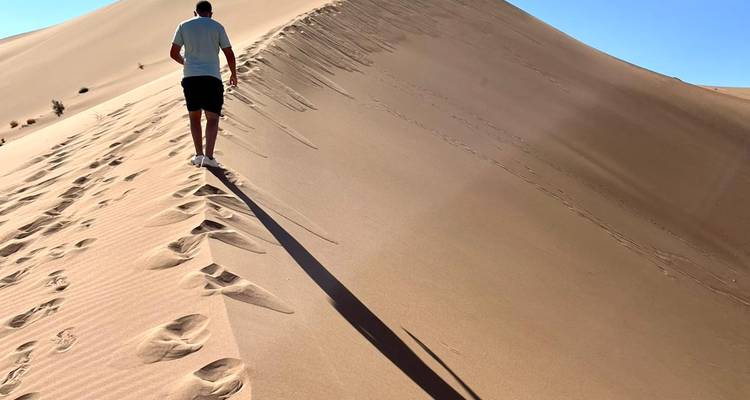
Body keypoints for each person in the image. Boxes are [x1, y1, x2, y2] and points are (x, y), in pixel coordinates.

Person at [170, 1, 237, 168]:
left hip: (191, 77)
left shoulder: (183, 26)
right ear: (211, 13)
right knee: (212, 118)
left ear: (195, 12)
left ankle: (198, 154)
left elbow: (173, 53)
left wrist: (185, 62)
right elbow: (229, 53)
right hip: (211, 77)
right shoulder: (217, 26)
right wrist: (233, 73)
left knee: (194, 117)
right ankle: (209, 157)